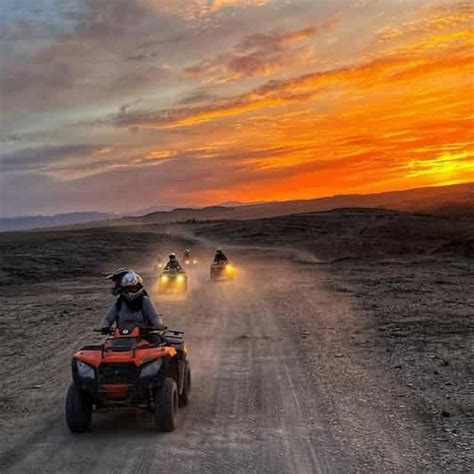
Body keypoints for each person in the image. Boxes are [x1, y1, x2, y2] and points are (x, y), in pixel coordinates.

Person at [101, 268, 165, 334]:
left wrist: (159, 325)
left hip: (143, 335)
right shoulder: (119, 302)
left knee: (157, 340)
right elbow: (108, 319)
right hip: (122, 337)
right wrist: (105, 326)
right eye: (126, 289)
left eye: (130, 289)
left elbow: (154, 317)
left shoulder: (145, 301)